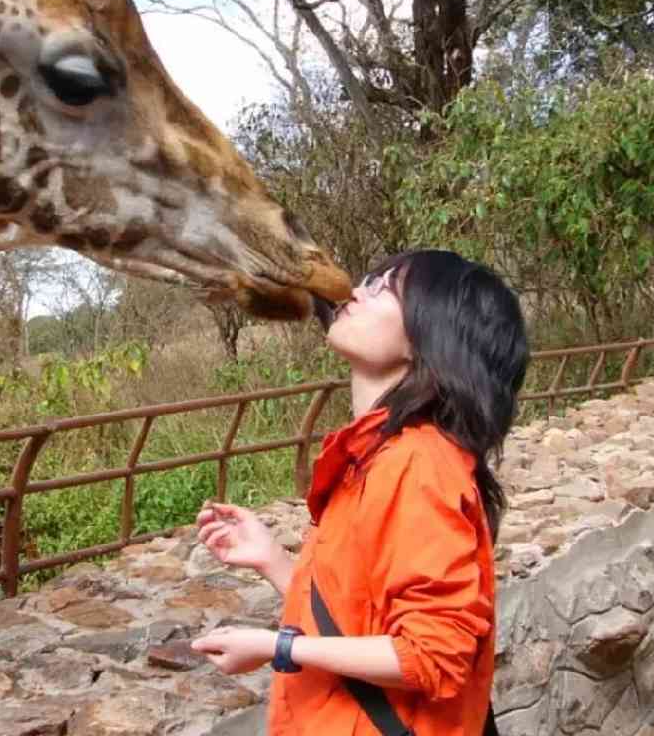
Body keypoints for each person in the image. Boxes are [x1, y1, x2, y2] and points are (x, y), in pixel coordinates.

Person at [190, 249, 529, 736]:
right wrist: (271, 560)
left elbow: (433, 655)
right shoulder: (377, 457)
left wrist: (277, 646)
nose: (356, 289)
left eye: (385, 288)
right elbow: (362, 623)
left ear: (428, 338)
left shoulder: (417, 464)